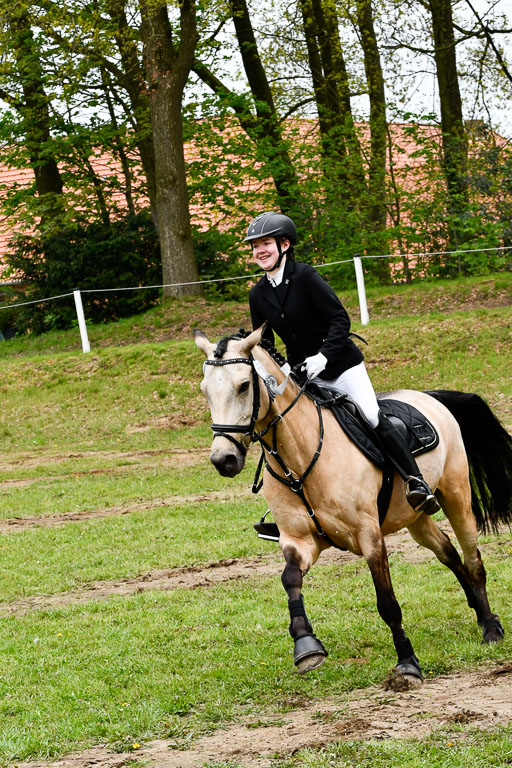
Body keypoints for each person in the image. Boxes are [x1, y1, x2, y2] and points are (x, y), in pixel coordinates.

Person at [246, 211, 441, 515]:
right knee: (290, 429)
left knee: (371, 416)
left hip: (341, 366)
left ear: (284, 244)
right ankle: (291, 509)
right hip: (302, 375)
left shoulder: (306, 277)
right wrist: (283, 368)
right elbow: (265, 340)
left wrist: (323, 355)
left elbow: (340, 318)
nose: (260, 251)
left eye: (266, 244)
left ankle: (415, 480)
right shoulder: (257, 294)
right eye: (255, 246)